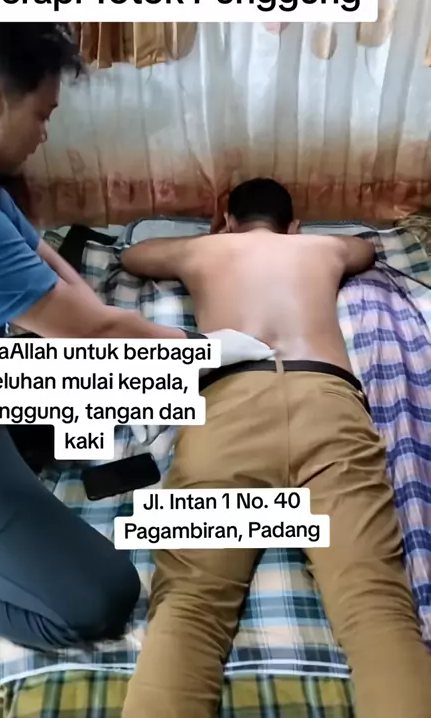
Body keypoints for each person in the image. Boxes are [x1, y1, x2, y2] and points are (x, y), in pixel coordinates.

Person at [120, 177, 431, 718]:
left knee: (190, 608)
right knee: (376, 608)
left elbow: (133, 256)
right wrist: (302, 240)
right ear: (293, 226)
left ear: (229, 221)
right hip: (327, 402)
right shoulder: (322, 248)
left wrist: (213, 239)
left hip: (228, 406)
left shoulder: (202, 250)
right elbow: (366, 249)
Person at [0, 0, 193, 651]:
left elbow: (45, 263)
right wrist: (201, 349)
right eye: (43, 117)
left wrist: (105, 329)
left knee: (104, 405)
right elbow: (91, 331)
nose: (45, 136)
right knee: (100, 600)